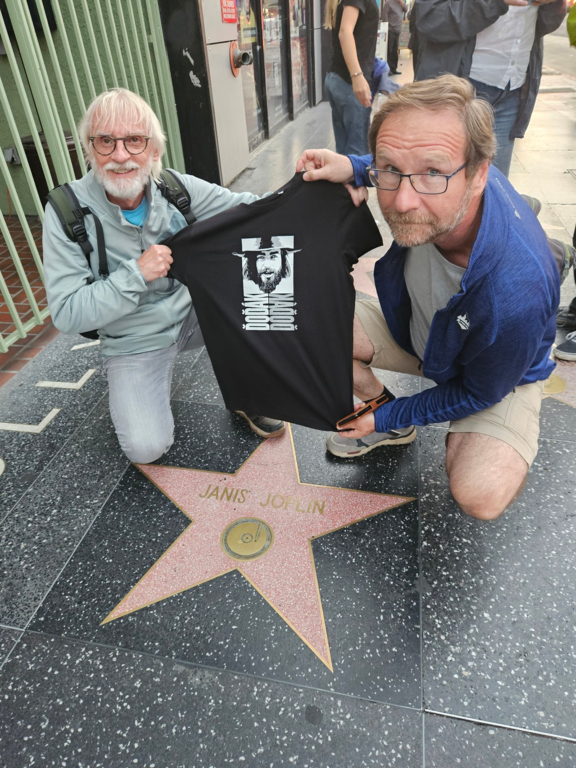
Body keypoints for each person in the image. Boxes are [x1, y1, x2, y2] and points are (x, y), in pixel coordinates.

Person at [297, 75, 559, 521]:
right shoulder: (452, 166)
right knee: (303, 320)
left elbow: (478, 391)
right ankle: (391, 421)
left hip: (492, 371)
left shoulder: (516, 294)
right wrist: (355, 166)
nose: (402, 201)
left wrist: (386, 415)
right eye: (389, 170)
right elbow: (409, 160)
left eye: (433, 175)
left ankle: (394, 420)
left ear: (479, 175)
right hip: (424, 333)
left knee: (480, 493)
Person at [43, 88, 285, 464]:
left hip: (196, 315)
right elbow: (67, 312)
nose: (120, 155)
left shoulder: (174, 189)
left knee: (266, 286)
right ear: (89, 150)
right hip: (133, 338)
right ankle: (138, 388)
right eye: (105, 141)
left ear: (154, 150)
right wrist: (136, 274)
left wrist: (314, 185)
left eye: (134, 140)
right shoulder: (66, 211)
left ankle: (246, 391)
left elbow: (251, 210)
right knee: (146, 448)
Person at [413, 0, 566, 177]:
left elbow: (544, 25)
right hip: (457, 93)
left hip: (511, 90)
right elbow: (431, 19)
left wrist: (552, 3)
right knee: (440, 180)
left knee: (494, 184)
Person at [324, 0, 380, 155]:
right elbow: (345, 32)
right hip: (349, 83)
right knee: (358, 153)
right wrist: (357, 76)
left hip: (339, 78)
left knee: (344, 152)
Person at [383, 0, 407, 75]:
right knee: (389, 50)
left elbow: (405, 9)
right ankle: (388, 69)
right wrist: (387, 26)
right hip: (391, 30)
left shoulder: (400, 3)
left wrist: (401, 2)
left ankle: (393, 68)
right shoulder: (388, 3)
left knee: (395, 50)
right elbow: (385, 15)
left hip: (398, 30)